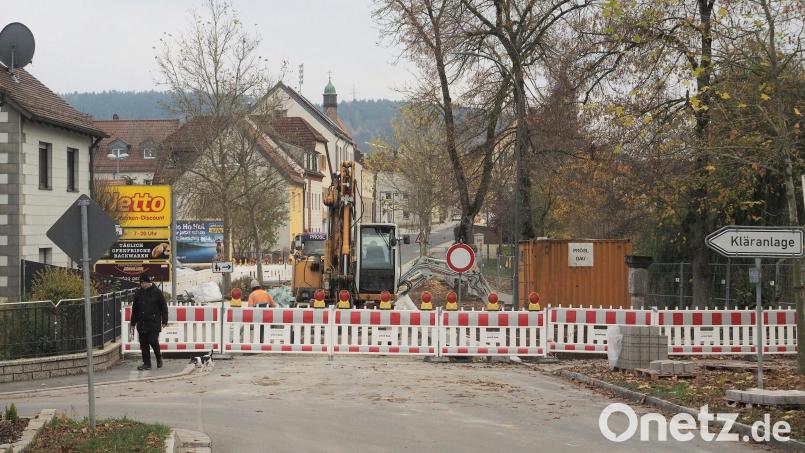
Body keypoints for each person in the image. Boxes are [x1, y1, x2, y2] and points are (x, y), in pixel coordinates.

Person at [130, 274, 168, 370]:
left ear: (149, 282)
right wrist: (133, 324)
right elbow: (135, 309)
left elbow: (164, 307)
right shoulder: (138, 293)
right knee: (144, 344)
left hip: (153, 322)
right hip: (142, 323)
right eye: (142, 283)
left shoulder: (157, 292)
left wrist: (164, 320)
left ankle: (158, 357)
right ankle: (147, 364)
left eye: (145, 283)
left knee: (153, 340)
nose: (144, 285)